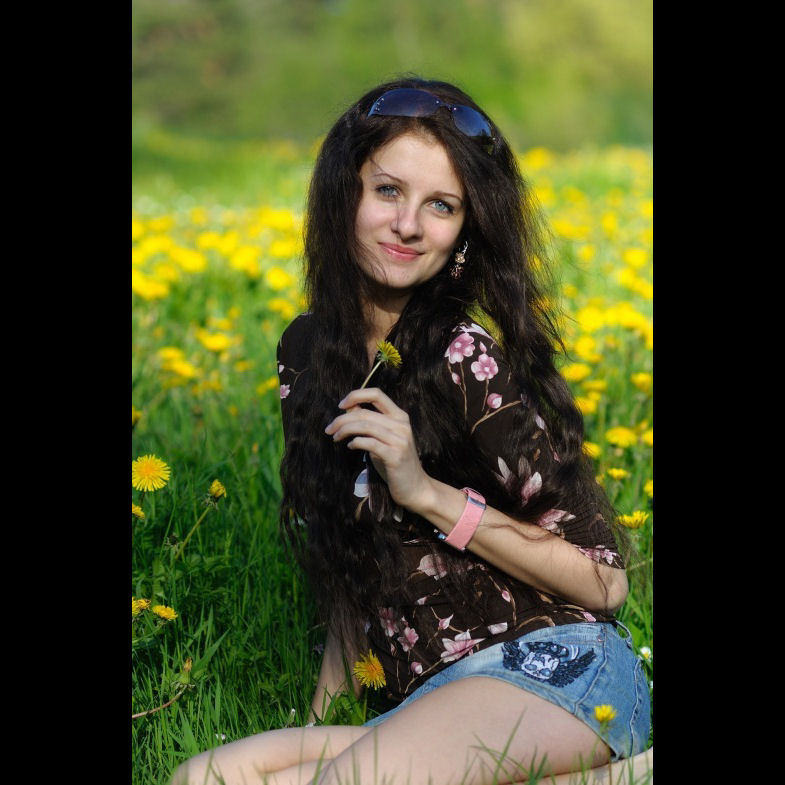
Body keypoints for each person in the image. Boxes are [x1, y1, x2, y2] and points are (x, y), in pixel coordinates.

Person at [172, 77, 652, 785]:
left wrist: (424, 491)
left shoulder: (464, 357)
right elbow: (348, 570)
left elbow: (604, 584)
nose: (407, 225)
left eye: (441, 205)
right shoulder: (307, 353)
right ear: (343, 196)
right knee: (208, 776)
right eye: (388, 191)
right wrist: (320, 722)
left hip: (554, 669)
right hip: (426, 703)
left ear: (463, 233)